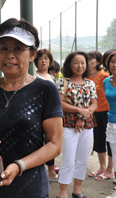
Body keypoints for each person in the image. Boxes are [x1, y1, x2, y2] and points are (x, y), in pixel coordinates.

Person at [0, 18, 63, 198]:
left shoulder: (45, 89)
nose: (10, 54)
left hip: (30, 187)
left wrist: (19, 165)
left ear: (32, 55)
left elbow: (55, 144)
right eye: (4, 48)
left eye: (18, 48)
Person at [56, 51, 97, 198]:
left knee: (82, 158)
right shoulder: (63, 82)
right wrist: (79, 110)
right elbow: (59, 104)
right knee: (68, 158)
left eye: (83, 62)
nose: (80, 66)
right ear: (69, 64)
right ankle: (62, 192)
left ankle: (77, 190)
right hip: (68, 124)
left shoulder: (90, 83)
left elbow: (94, 104)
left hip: (87, 123)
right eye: (76, 62)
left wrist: (83, 115)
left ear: (86, 65)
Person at [86, 51, 113, 181]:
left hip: (107, 111)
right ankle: (102, 168)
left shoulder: (104, 76)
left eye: (91, 59)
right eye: (88, 59)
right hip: (94, 112)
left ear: (98, 62)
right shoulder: (85, 76)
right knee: (98, 139)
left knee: (110, 141)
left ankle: (110, 169)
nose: (89, 61)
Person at [34, 49, 59, 182]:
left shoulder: (52, 78)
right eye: (40, 59)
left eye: (46, 59)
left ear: (50, 62)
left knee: (51, 141)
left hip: (51, 115)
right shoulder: (32, 76)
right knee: (38, 143)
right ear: (35, 61)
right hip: (38, 115)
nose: (43, 61)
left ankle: (50, 171)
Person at [103, 51, 116, 198]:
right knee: (115, 157)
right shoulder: (106, 81)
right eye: (113, 61)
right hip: (111, 123)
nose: (115, 64)